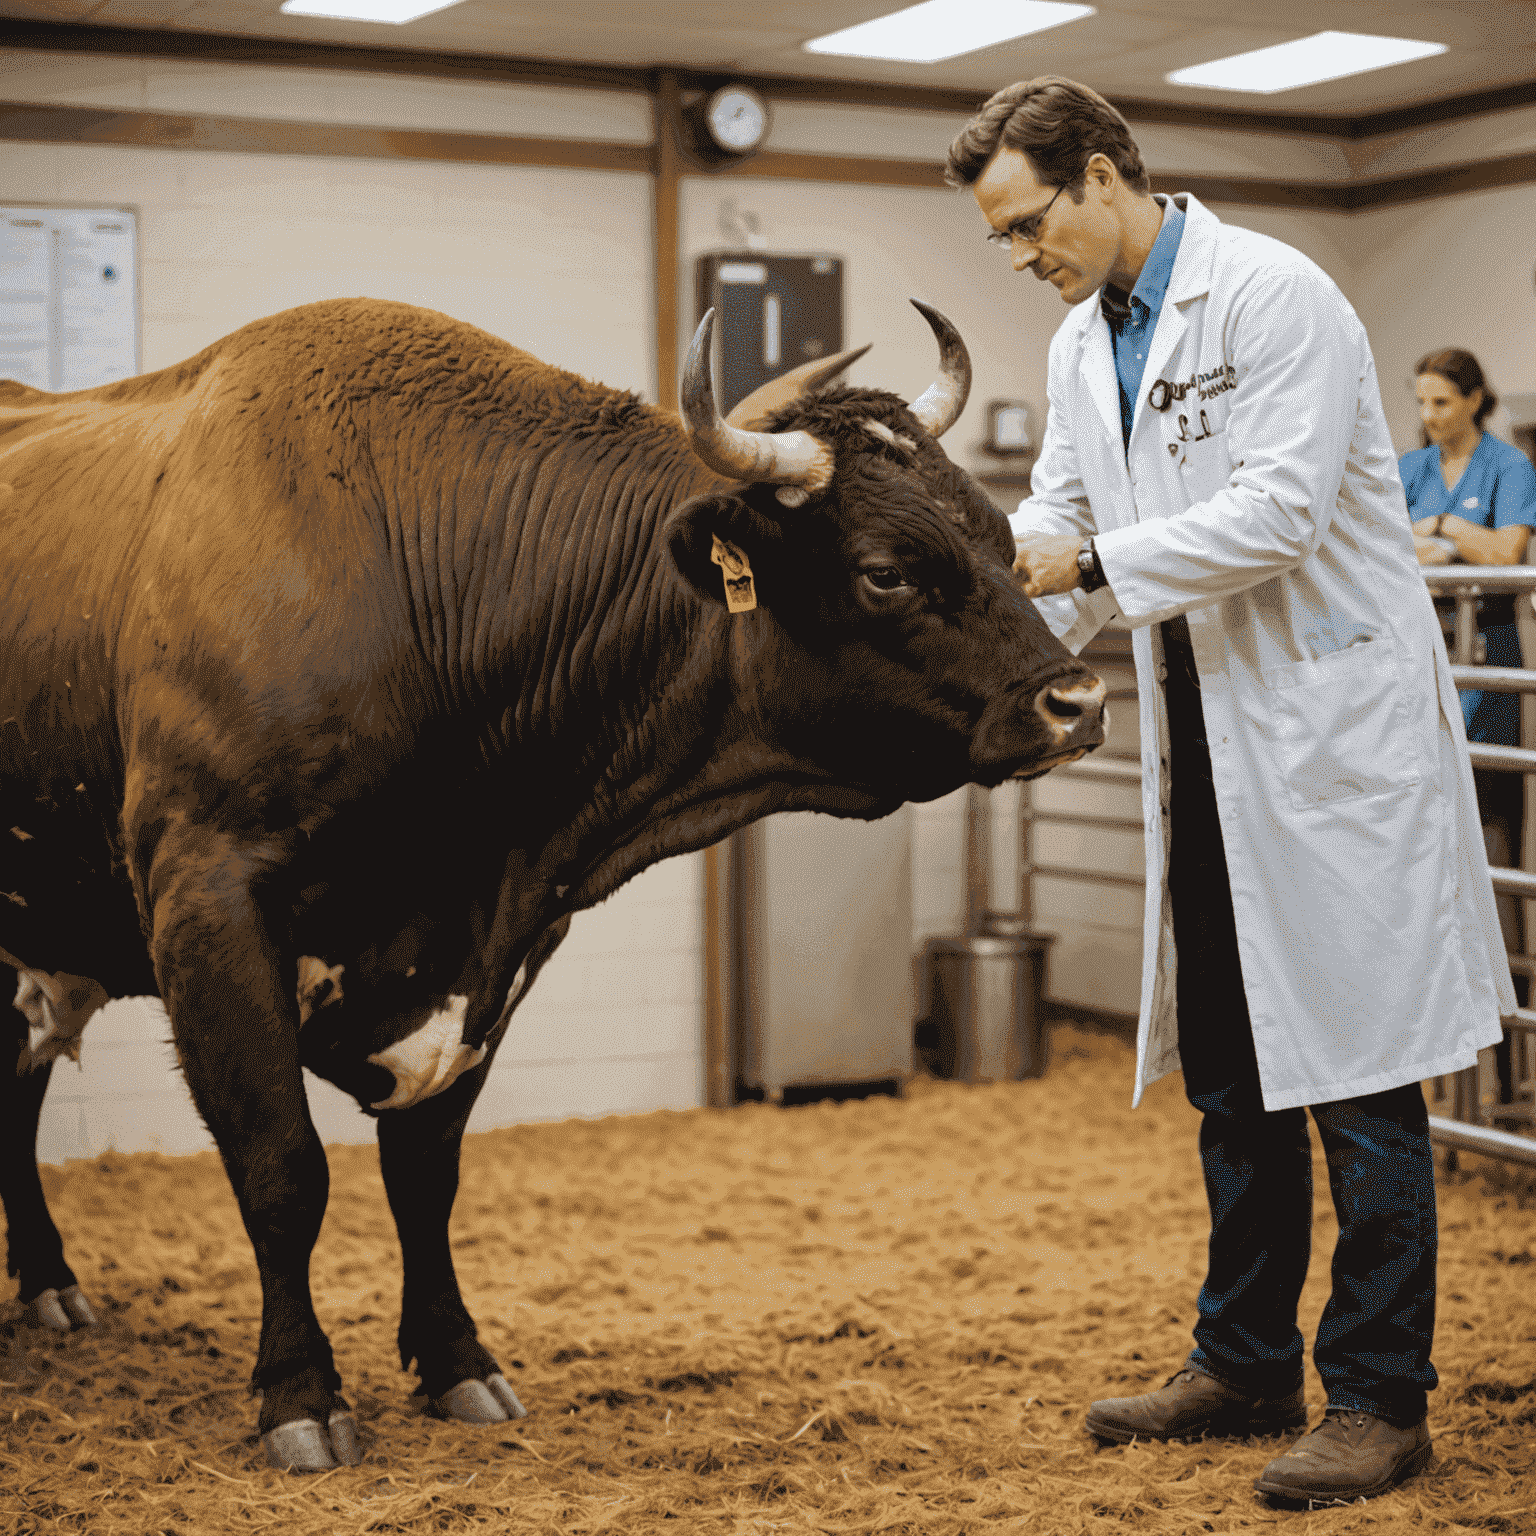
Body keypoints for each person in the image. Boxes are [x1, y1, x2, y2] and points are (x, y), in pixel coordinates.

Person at [944, 77, 1511, 1506]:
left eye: (1025, 225)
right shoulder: (1085, 342)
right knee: (1234, 1069)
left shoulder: (1276, 294)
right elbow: (1063, 513)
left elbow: (1280, 510)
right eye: (1002, 240)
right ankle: (1244, 1357)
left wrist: (1079, 569)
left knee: (1363, 1081)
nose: (1021, 257)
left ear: (1096, 175)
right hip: (1206, 741)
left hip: (1331, 739)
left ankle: (1382, 1396)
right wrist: (982, 571)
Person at [1401, 351, 1536, 1021]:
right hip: (1426, 658)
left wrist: (1444, 530)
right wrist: (1462, 543)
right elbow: (1382, 548)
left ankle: (1507, 1025)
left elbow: (1507, 553)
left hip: (1490, 662)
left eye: (1442, 404)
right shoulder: (1410, 467)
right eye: (1421, 404)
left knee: (1490, 823)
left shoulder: (1509, 467)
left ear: (1476, 398)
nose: (1429, 418)